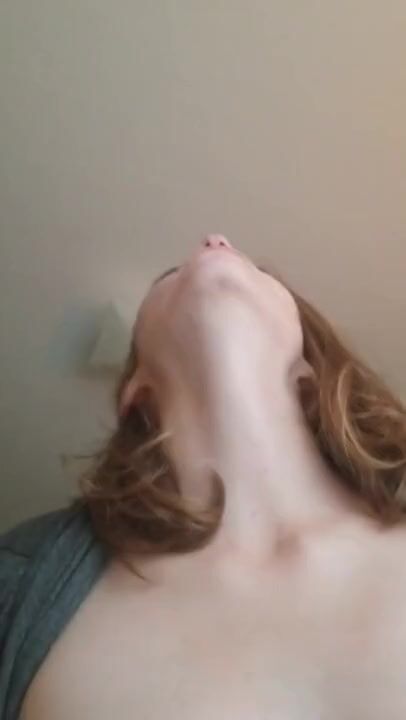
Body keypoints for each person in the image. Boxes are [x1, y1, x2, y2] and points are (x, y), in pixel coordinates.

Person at [2, 235, 406, 720]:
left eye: (258, 271)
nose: (214, 242)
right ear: (136, 393)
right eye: (171, 275)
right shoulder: (19, 580)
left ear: (310, 370)